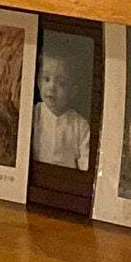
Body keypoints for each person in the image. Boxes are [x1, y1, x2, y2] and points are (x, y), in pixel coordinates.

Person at [32, 44, 91, 172]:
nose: (52, 87)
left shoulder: (80, 126)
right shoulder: (34, 114)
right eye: (46, 79)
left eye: (61, 83)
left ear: (72, 92)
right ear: (39, 82)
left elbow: (85, 162)